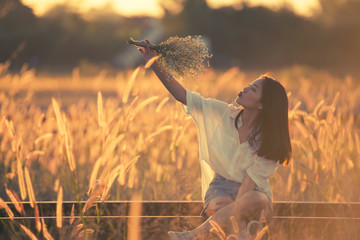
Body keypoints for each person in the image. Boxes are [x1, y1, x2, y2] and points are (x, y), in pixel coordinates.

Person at [138, 40, 292, 240]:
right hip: (220, 187)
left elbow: (248, 185)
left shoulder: (269, 140)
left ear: (263, 105)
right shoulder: (221, 113)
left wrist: (234, 211)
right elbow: (182, 95)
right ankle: (245, 234)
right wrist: (155, 63)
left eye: (253, 89)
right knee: (226, 209)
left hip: (253, 194)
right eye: (249, 85)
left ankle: (192, 235)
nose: (245, 89)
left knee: (253, 199)